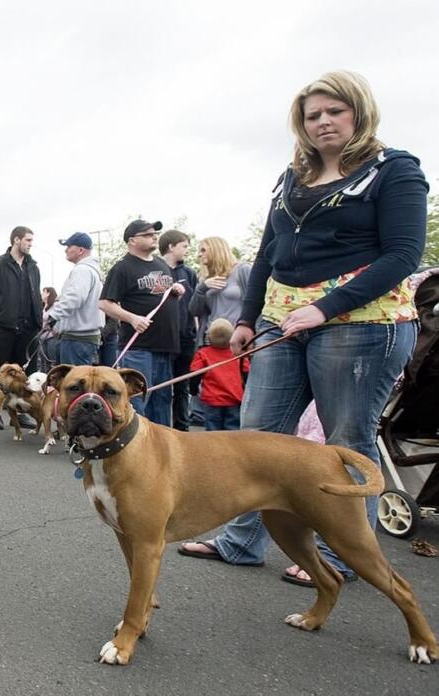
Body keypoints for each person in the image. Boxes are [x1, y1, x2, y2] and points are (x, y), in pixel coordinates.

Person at [178, 71, 425, 588]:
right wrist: (246, 319)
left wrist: (326, 307)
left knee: (345, 441)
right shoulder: (292, 175)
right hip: (281, 319)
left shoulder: (394, 170)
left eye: (335, 111)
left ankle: (342, 556)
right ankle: (242, 541)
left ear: (359, 112)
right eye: (313, 115)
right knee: (258, 437)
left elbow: (403, 254)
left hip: (361, 321)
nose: (323, 122)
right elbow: (268, 253)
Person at [98, 219, 185, 426]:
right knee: (139, 401)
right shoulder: (122, 267)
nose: (154, 236)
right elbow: (104, 303)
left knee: (163, 401)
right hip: (139, 348)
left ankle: (162, 450)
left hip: (165, 345)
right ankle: (136, 449)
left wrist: (176, 291)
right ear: (132, 240)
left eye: (155, 233)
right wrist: (133, 318)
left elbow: (162, 292)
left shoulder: (161, 264)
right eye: (147, 234)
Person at [0, 226, 42, 428]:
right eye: (28, 240)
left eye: (32, 241)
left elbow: (36, 294)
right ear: (16, 240)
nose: (31, 244)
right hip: (2, 327)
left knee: (23, 376)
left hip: (27, 329)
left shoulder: (33, 267)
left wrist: (38, 322)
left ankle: (21, 411)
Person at [158, 229, 199, 431]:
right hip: (164, 339)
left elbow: (195, 306)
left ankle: (182, 428)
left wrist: (195, 333)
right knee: (164, 387)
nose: (187, 251)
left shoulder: (189, 273)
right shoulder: (156, 270)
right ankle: (163, 428)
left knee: (182, 386)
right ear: (171, 246)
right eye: (184, 246)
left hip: (185, 337)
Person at [45, 232, 104, 368]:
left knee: (75, 385)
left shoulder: (82, 270)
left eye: (69, 246)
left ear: (80, 250)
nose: (66, 249)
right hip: (85, 338)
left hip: (77, 339)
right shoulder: (92, 270)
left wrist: (52, 316)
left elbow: (74, 299)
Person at [189, 236, 252, 344]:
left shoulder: (242, 270)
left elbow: (257, 303)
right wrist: (201, 289)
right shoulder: (204, 278)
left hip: (237, 338)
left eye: (203, 250)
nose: (199, 255)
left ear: (216, 249)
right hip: (211, 339)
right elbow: (194, 311)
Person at [188, 319, 247, 431]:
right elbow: (246, 372)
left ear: (209, 336)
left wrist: (193, 390)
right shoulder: (237, 354)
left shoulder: (203, 353)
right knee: (232, 430)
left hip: (212, 401)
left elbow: (195, 374)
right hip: (234, 399)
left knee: (213, 431)